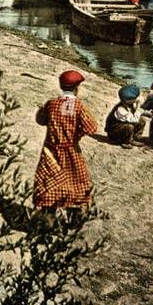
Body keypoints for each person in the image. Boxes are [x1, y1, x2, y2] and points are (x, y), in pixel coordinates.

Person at [33, 69, 99, 218]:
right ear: (77, 88)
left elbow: (40, 121)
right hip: (71, 150)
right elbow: (91, 128)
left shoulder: (51, 104)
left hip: (50, 151)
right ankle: (75, 216)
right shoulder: (78, 106)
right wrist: (77, 134)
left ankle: (47, 217)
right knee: (76, 182)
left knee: (49, 182)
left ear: (61, 86)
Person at [105, 84, 146, 148]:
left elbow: (134, 114)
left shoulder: (129, 104)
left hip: (122, 127)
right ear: (127, 99)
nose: (135, 100)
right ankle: (124, 141)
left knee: (142, 120)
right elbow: (134, 119)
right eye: (133, 98)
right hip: (114, 133)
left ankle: (134, 137)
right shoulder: (120, 109)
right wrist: (138, 107)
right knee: (129, 127)